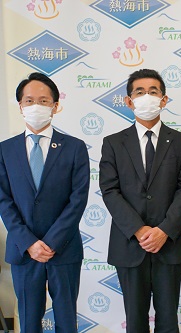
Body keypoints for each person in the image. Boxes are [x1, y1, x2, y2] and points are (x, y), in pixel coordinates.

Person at [99, 69, 181, 333]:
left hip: (170, 244)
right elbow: (109, 190)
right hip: (129, 245)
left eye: (153, 92)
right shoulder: (113, 143)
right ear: (129, 101)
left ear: (164, 100)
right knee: (135, 322)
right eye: (139, 92)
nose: (147, 97)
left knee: (168, 321)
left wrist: (164, 230)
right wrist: (139, 230)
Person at [0, 72, 90, 332]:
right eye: (29, 101)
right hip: (23, 252)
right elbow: (4, 201)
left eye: (43, 100)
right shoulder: (6, 150)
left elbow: (78, 199)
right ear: (20, 106)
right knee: (28, 321)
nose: (36, 106)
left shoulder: (74, 147)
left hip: (63, 249)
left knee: (66, 321)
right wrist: (29, 243)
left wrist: (50, 243)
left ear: (55, 105)